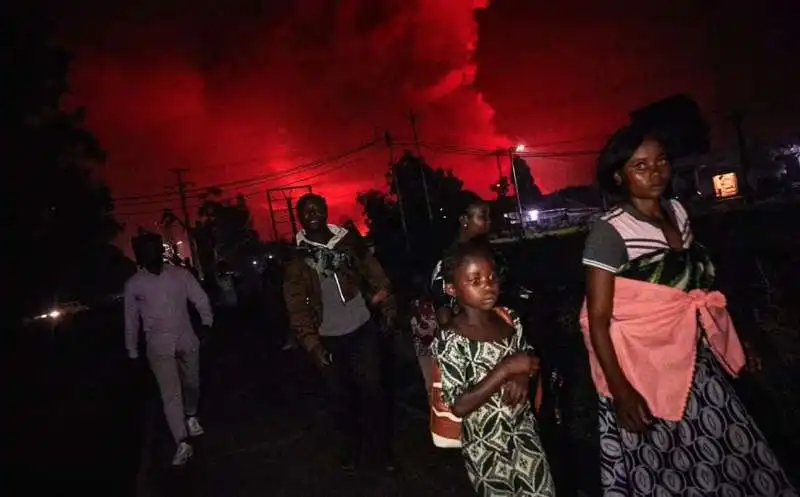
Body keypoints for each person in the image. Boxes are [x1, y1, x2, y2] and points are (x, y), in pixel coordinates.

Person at [581, 123, 797, 496]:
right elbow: (598, 321)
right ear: (619, 175)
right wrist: (621, 391)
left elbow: (694, 291)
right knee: (661, 465)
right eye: (640, 165)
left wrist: (734, 340)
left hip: (691, 357)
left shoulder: (678, 213)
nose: (655, 172)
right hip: (640, 370)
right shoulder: (609, 231)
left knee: (731, 448)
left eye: (661, 161)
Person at [283, 193, 397, 471]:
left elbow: (375, 274)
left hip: (361, 328)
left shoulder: (347, 241)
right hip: (328, 337)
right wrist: (312, 344)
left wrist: (389, 308)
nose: (312, 214)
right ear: (300, 217)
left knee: (372, 391)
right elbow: (296, 304)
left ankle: (381, 452)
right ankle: (351, 447)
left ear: (325, 212)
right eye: (306, 211)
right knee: (340, 396)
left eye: (317, 209)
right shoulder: (296, 257)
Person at [431, 241, 555, 497]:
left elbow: (528, 357)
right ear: (453, 289)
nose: (488, 285)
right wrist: (506, 369)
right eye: (475, 281)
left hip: (524, 433)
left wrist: (522, 373)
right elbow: (459, 405)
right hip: (486, 447)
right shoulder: (451, 339)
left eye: (491, 277)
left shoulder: (510, 318)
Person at [124, 233, 214, 466]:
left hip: (186, 337)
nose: (149, 252)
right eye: (143, 249)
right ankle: (182, 441)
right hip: (158, 344)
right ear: (139, 254)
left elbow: (200, 299)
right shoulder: (134, 285)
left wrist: (206, 323)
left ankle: (191, 415)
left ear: (159, 250)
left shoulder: (180, 275)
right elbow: (131, 320)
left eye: (152, 247)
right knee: (170, 393)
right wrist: (132, 351)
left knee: (192, 383)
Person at [430, 191, 498, 327]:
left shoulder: (487, 251)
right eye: (483, 217)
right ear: (464, 220)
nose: (488, 221)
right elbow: (440, 301)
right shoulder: (450, 257)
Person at [408, 272, 438, 394]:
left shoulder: (417, 308)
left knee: (431, 382)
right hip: (427, 348)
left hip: (426, 348)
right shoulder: (431, 306)